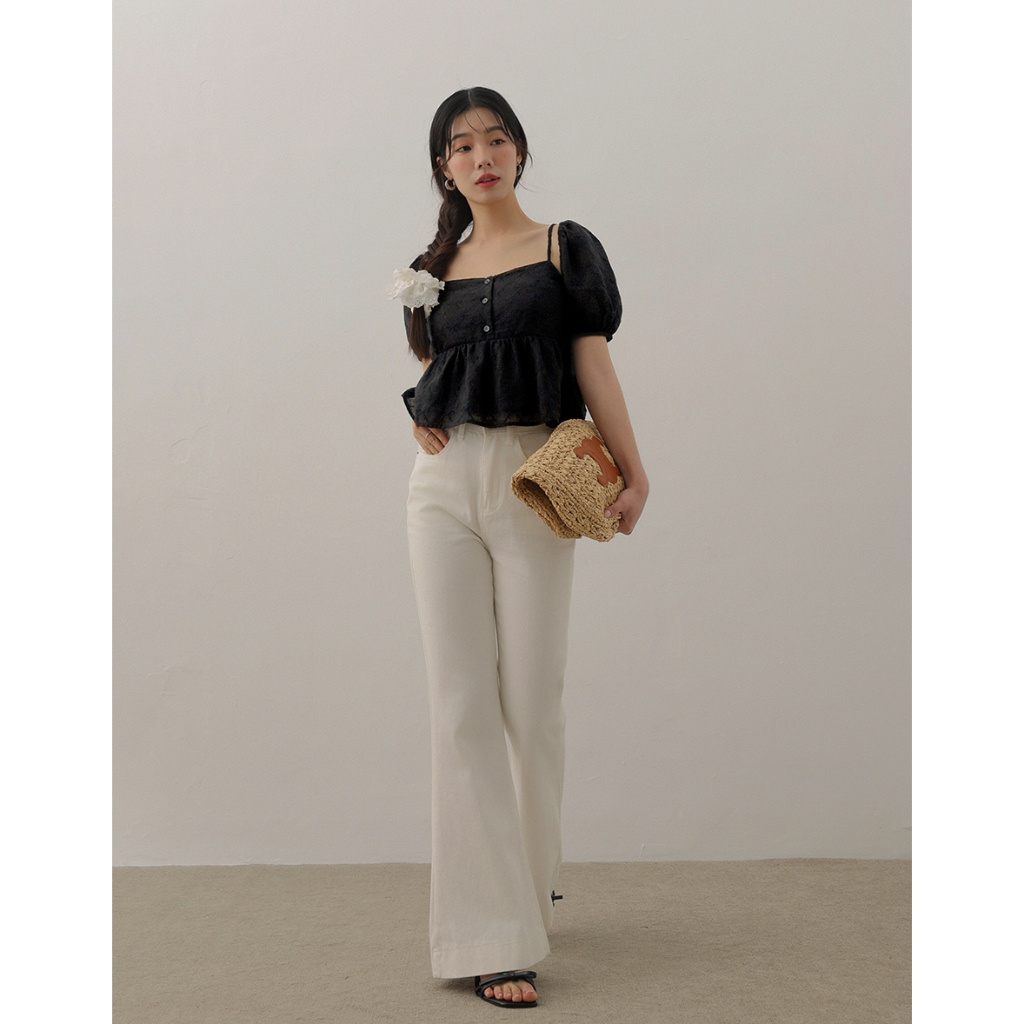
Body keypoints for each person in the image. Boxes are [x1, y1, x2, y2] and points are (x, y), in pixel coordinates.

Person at [393, 87, 648, 1009]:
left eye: (496, 139)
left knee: (532, 705)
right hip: (441, 490)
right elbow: (438, 372)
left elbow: (591, 362)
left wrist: (633, 469)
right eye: (462, 145)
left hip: (538, 479)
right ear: (444, 168)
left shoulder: (563, 248)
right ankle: (492, 934)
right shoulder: (431, 268)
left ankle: (526, 888)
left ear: (519, 152)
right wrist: (424, 418)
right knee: (459, 704)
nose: (482, 156)